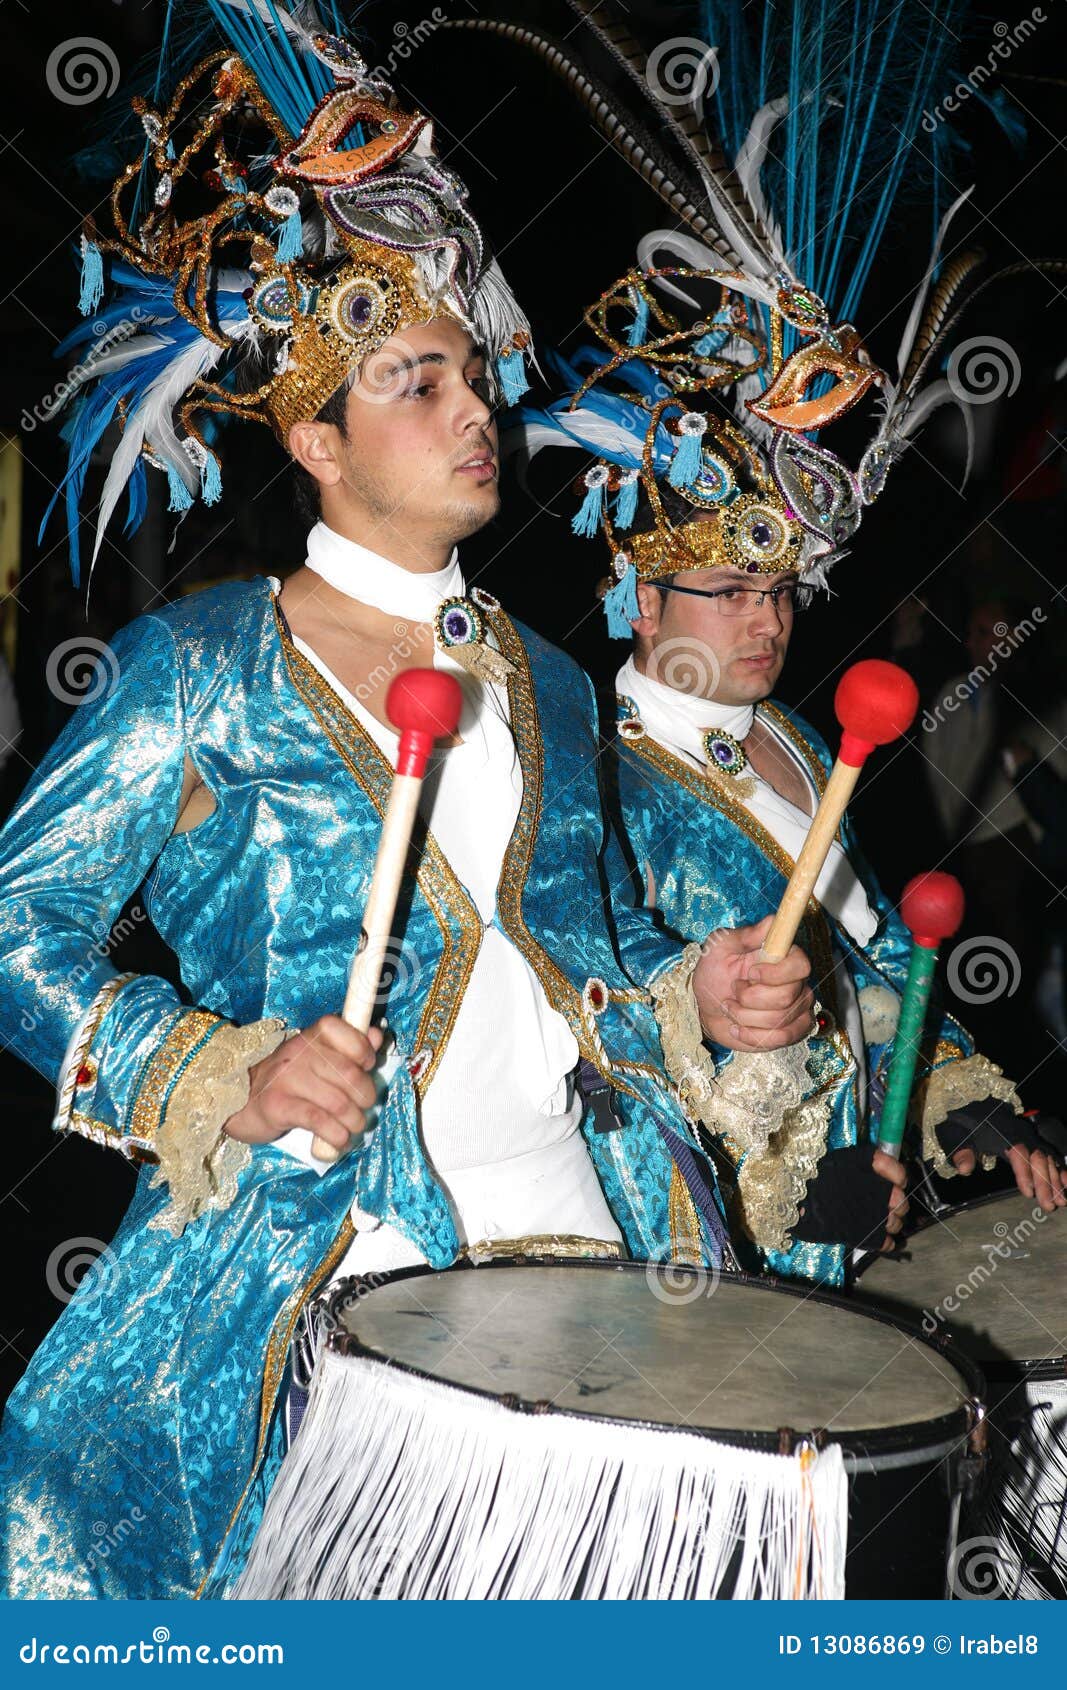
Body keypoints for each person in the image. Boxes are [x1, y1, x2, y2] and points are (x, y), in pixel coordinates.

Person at [0, 7, 812, 1600]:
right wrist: (216, 1070)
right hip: (334, 1252)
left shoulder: (549, 676)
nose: (471, 413)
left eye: (471, 376)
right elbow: (18, 923)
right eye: (413, 380)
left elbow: (596, 944)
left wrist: (695, 991)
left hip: (602, 1222)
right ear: (314, 437)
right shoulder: (201, 666)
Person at [519, 232, 1067, 1288]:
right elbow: (607, 1021)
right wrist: (788, 1186)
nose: (766, 620)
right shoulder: (590, 774)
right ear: (642, 602)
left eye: (777, 593)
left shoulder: (796, 739)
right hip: (701, 1239)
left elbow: (864, 968)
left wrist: (966, 1102)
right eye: (728, 591)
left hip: (867, 1199)